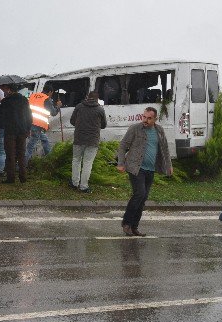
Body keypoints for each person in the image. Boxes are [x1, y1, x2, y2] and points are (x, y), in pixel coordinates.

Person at [117, 107, 173, 236]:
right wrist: (120, 163)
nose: (145, 120)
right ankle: (127, 223)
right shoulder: (135, 129)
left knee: (143, 198)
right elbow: (123, 145)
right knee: (139, 194)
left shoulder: (159, 130)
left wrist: (169, 165)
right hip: (136, 167)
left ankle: (134, 227)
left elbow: (164, 148)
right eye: (144, 117)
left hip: (150, 169)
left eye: (149, 118)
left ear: (155, 119)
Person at [0, 83, 33, 183]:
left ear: (9, 90)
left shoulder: (6, 101)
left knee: (10, 154)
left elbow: (0, 116)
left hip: (10, 131)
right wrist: (28, 128)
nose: (5, 92)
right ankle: (23, 177)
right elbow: (29, 115)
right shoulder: (24, 100)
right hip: (22, 130)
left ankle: (10, 178)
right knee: (21, 154)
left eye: (6, 90)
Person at [69, 90, 107, 193]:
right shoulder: (100, 109)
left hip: (78, 138)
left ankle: (74, 183)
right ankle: (84, 186)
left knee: (76, 160)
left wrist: (80, 124)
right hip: (92, 140)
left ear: (87, 97)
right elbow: (104, 125)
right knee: (87, 163)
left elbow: (72, 121)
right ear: (97, 99)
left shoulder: (79, 107)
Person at [25, 83, 61, 163]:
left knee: (44, 140)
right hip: (37, 125)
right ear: (50, 92)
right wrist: (58, 106)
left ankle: (50, 158)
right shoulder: (46, 99)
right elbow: (53, 113)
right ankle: (21, 165)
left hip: (29, 122)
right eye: (52, 93)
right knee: (30, 146)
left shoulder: (33, 96)